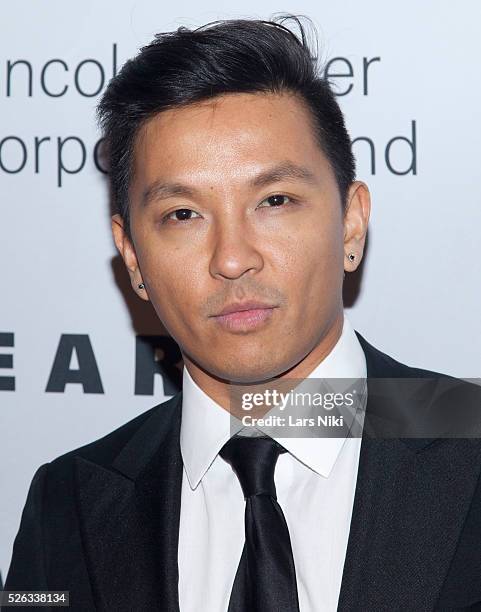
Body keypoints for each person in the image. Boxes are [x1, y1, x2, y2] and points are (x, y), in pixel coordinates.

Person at [4, 17, 481, 612]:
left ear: (351, 221)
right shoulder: (67, 502)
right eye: (182, 214)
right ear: (132, 257)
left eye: (274, 201)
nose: (232, 259)